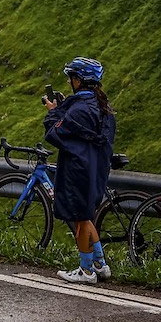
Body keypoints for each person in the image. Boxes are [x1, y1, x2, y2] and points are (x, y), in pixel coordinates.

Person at [46, 57, 116, 284]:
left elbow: (56, 133)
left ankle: (86, 271)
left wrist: (54, 113)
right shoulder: (102, 106)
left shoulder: (79, 110)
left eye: (71, 78)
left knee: (81, 218)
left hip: (78, 169)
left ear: (78, 80)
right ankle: (100, 264)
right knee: (87, 217)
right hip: (96, 168)